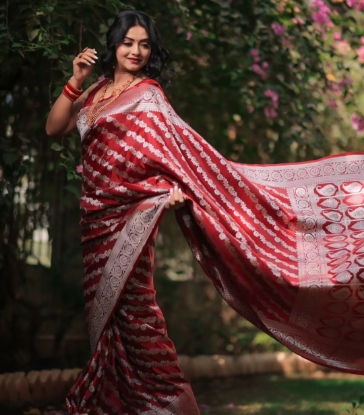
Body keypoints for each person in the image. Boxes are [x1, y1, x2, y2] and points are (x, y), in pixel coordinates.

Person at [46, 9, 364, 415]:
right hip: (94, 222)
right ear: (114, 44)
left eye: (144, 44)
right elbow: (54, 128)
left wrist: (167, 192)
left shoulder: (149, 96)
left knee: (136, 314)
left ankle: (172, 404)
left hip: (131, 223)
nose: (136, 51)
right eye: (128, 42)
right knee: (108, 323)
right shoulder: (94, 93)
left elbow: (174, 157)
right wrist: (75, 81)